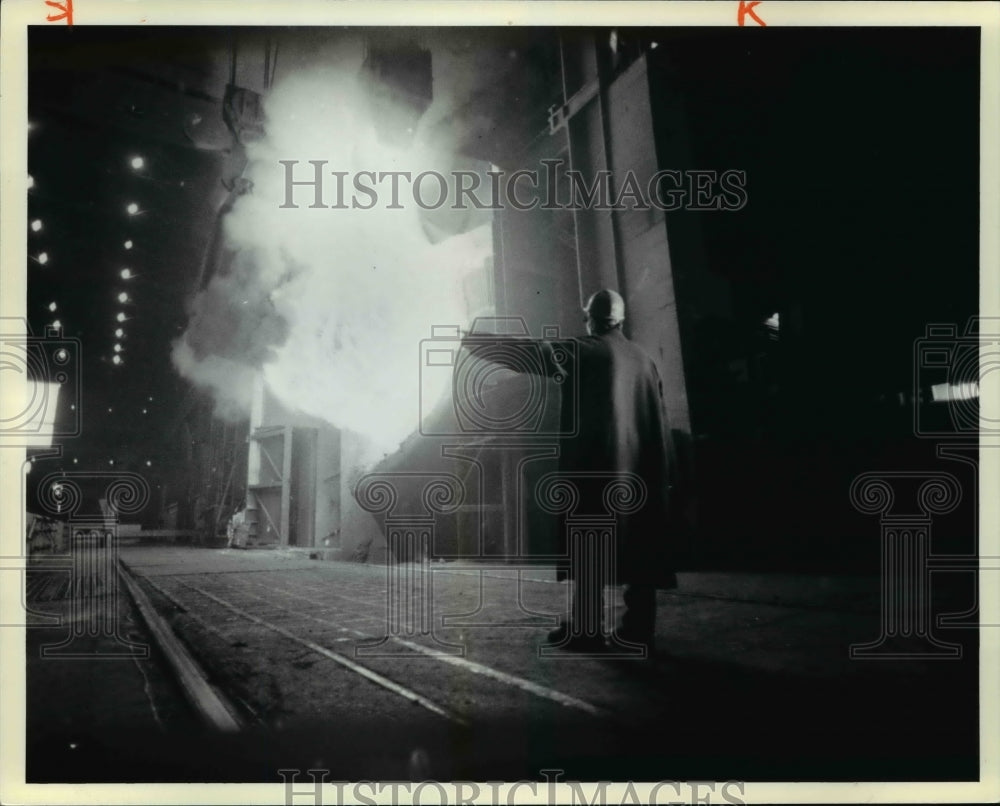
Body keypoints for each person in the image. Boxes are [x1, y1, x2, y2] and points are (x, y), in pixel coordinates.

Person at [540, 289, 677, 654]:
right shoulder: (645, 359)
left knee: (589, 541)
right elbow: (660, 420)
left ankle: (586, 630)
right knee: (642, 547)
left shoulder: (587, 348)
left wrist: (480, 343)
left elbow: (533, 353)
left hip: (601, 468)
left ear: (590, 318)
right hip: (642, 472)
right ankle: (637, 630)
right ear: (621, 319)